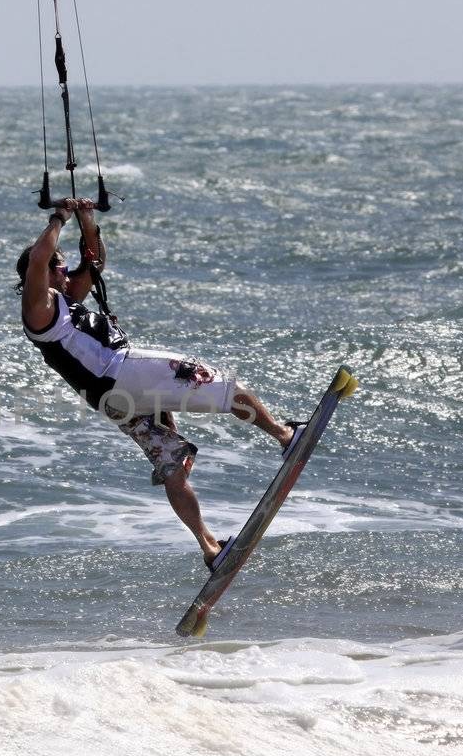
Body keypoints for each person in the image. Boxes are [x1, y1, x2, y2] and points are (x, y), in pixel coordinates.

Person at [17, 198, 301, 569]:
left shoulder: (65, 302)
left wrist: (88, 221)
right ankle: (284, 435)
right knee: (220, 383)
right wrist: (60, 217)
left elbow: (96, 264)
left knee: (172, 461)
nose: (67, 274)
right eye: (61, 268)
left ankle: (211, 548)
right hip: (120, 372)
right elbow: (40, 258)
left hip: (111, 400)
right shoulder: (38, 306)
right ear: (44, 274)